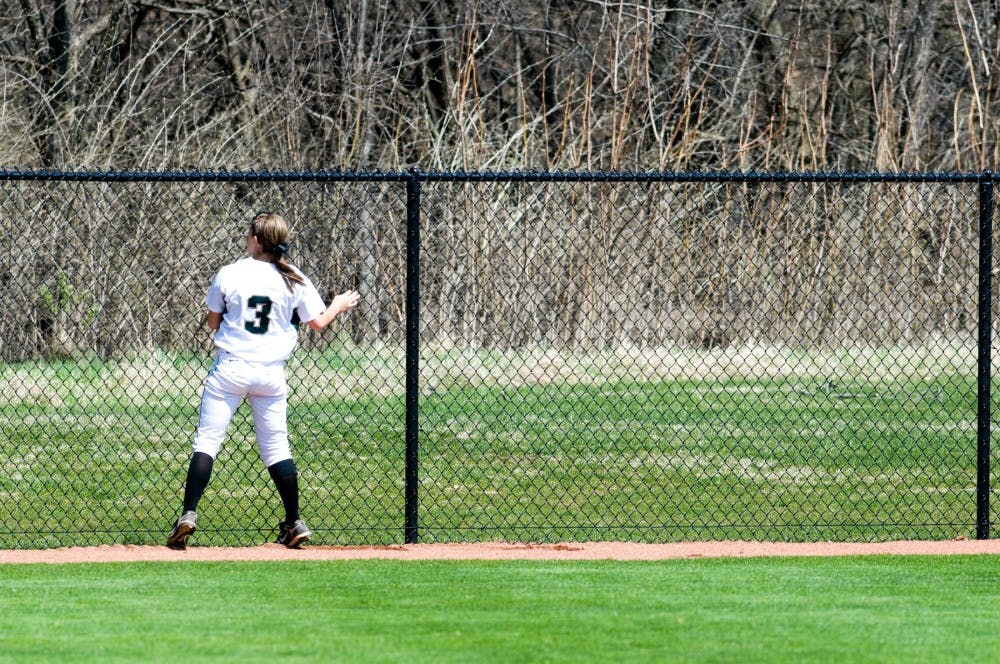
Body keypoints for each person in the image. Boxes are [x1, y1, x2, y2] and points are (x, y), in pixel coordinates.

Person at [167, 211, 360, 549]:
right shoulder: (293, 277)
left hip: (231, 367)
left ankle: (188, 514)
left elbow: (213, 323)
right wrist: (338, 304)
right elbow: (317, 324)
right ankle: (294, 522)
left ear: (255, 240)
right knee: (275, 447)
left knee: (208, 441)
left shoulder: (230, 273)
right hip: (271, 372)